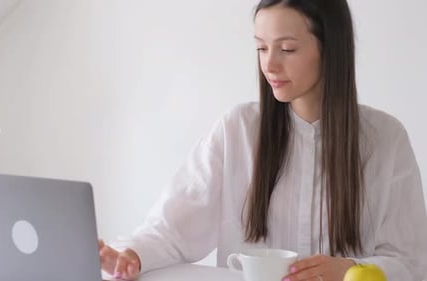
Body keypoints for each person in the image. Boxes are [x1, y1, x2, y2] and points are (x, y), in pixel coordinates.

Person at [99, 0, 427, 280]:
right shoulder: (236, 130)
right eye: (261, 47)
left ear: (330, 48)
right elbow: (171, 230)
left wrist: (348, 269)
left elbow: (412, 263)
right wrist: (131, 255)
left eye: (287, 49)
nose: (269, 64)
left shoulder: (386, 140)